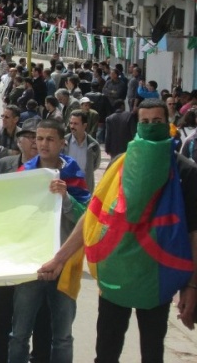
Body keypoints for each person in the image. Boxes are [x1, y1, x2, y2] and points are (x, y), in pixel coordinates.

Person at [38, 99, 197, 363]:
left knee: (152, 353)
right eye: (144, 122)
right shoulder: (120, 166)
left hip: (157, 277)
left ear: (168, 122)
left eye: (156, 122)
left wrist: (191, 286)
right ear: (137, 126)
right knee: (107, 352)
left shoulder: (185, 172)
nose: (150, 127)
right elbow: (93, 217)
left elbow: (194, 233)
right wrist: (60, 258)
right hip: (116, 273)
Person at [7, 119, 90, 363]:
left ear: (62, 143)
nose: (43, 144)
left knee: (63, 335)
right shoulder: (25, 173)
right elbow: (14, 214)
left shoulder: (73, 173)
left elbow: (85, 217)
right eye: (39, 138)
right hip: (31, 263)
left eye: (50, 139)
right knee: (19, 333)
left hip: (64, 263)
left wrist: (65, 197)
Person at [0, 122, 52, 363]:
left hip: (41, 254)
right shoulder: (2, 167)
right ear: (19, 141)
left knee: (43, 312)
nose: (35, 142)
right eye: (29, 136)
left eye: (41, 137)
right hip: (7, 252)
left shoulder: (54, 171)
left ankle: (41, 356)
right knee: (3, 310)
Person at [63, 110, 101, 193]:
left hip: (84, 187)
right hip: (65, 187)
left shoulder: (93, 145)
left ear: (84, 126)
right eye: (71, 123)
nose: (72, 126)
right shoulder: (63, 142)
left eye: (76, 124)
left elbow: (95, 165)